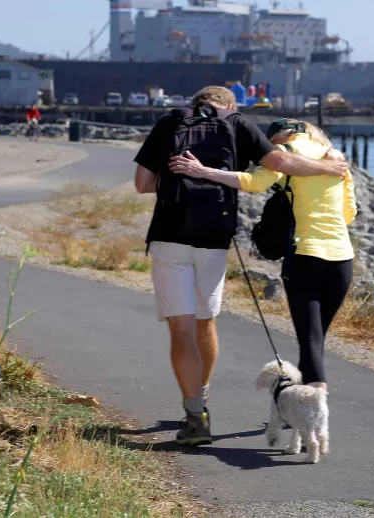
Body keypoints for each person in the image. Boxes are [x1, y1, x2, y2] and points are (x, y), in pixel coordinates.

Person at [133, 87, 349, 446]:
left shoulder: (171, 122)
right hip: (215, 238)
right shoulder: (237, 124)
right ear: (229, 106)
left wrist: (180, 181)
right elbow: (279, 164)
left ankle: (196, 414)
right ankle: (202, 393)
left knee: (181, 328)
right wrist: (328, 167)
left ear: (196, 103)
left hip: (169, 236)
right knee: (205, 321)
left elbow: (142, 184)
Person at [169, 118, 355, 393]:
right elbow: (349, 215)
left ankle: (314, 409)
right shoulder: (336, 161)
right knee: (315, 337)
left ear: (278, 138)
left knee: (310, 338)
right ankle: (299, 410)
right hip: (342, 259)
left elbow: (253, 182)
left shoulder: (286, 155)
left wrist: (205, 172)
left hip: (305, 254)